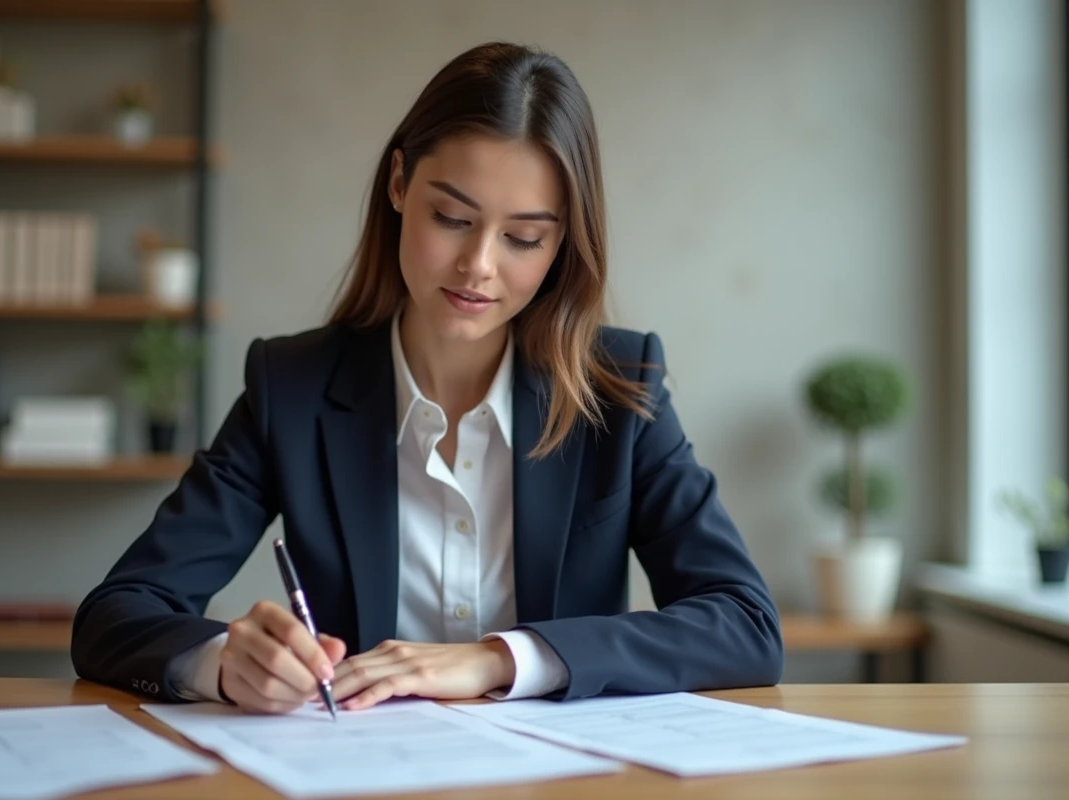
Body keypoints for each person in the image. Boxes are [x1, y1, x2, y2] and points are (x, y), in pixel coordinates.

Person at [71, 41, 783, 714]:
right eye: (451, 217)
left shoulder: (619, 390)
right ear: (398, 183)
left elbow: (745, 624)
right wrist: (224, 662)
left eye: (524, 238)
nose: (479, 265)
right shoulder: (290, 390)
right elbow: (116, 614)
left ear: (562, 243)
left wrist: (500, 659)